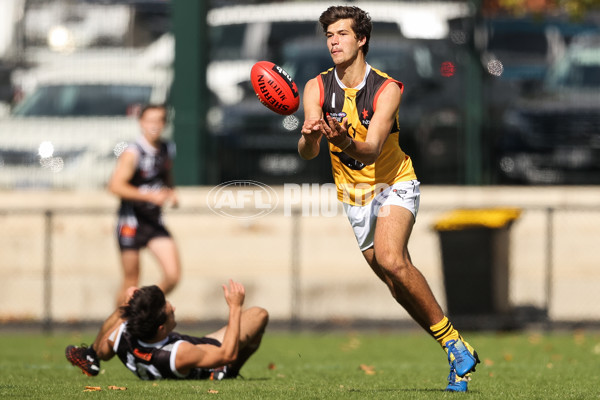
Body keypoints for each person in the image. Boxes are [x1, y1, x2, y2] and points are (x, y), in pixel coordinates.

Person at [298, 6, 479, 392]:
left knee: (391, 259)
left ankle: (454, 346)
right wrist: (311, 136)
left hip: (394, 183)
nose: (334, 41)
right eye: (330, 34)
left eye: (342, 34)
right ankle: (455, 348)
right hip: (354, 198)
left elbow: (372, 149)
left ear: (361, 39)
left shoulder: (386, 89)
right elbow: (307, 152)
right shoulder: (315, 87)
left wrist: (343, 139)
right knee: (397, 284)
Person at [65, 280, 268, 380]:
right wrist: (235, 307)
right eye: (170, 310)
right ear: (161, 328)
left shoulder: (122, 336)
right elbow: (228, 353)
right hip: (207, 356)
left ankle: (89, 356)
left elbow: (104, 350)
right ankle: (226, 372)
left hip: (167, 358)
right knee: (259, 315)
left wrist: (133, 304)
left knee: (124, 310)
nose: (174, 308)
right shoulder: (179, 353)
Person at [108, 104, 181, 305]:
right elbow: (115, 186)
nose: (155, 125)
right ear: (141, 123)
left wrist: (171, 192)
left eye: (159, 120)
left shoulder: (167, 148)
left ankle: (144, 307)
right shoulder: (133, 152)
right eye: (150, 120)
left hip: (154, 222)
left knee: (173, 275)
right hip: (131, 223)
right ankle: (117, 329)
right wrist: (149, 197)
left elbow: (166, 175)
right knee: (131, 281)